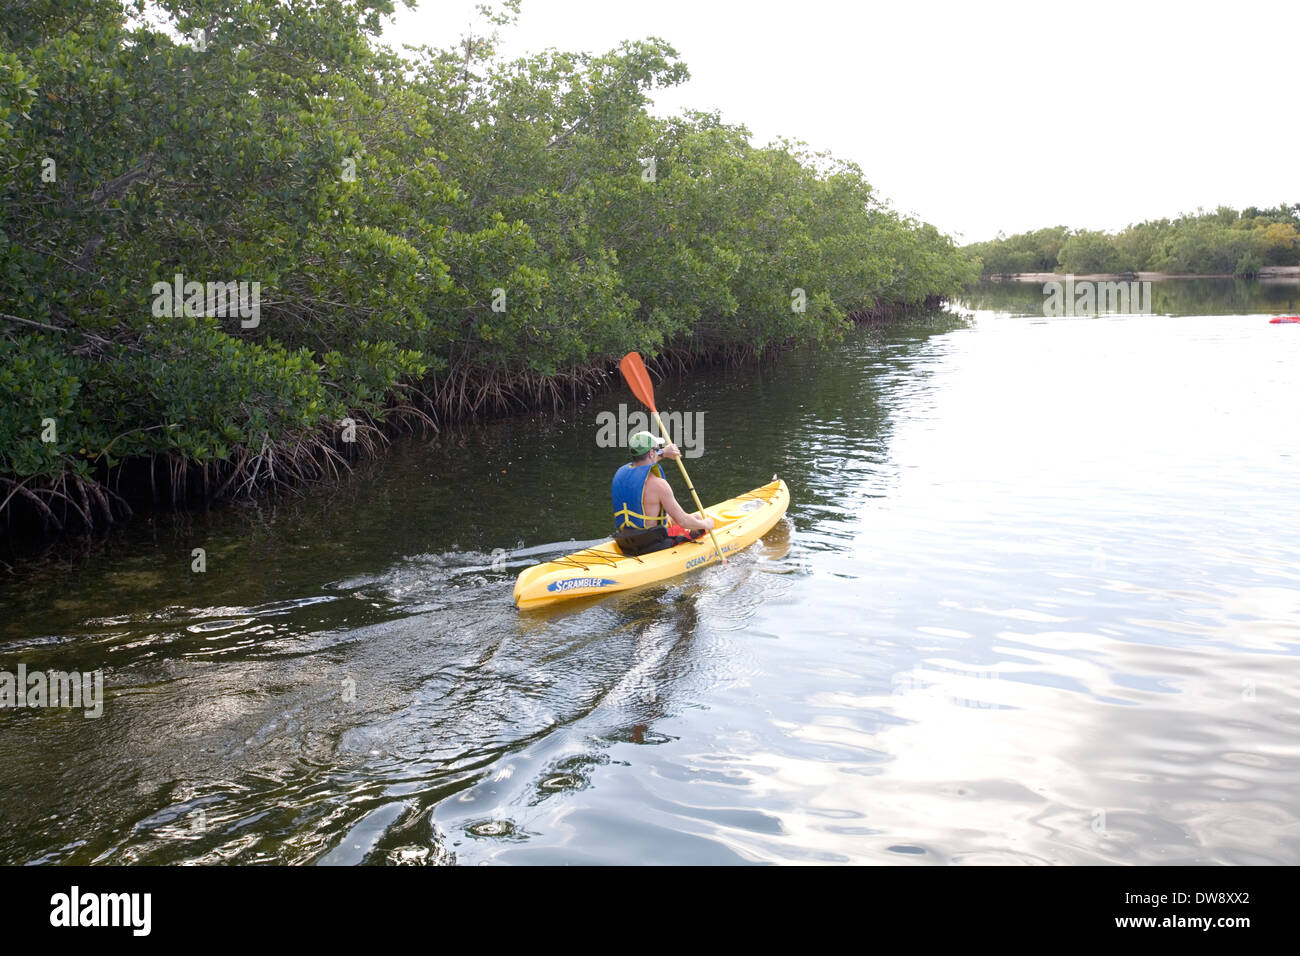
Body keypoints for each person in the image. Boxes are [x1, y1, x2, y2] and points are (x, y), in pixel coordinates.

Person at [611, 430, 715, 555]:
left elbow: (643, 464)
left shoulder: (620, 475)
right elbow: (683, 521)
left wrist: (663, 453)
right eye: (657, 449)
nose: (658, 451)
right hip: (652, 545)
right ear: (650, 453)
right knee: (698, 521)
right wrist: (705, 524)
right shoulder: (659, 485)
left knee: (673, 518)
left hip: (625, 542)